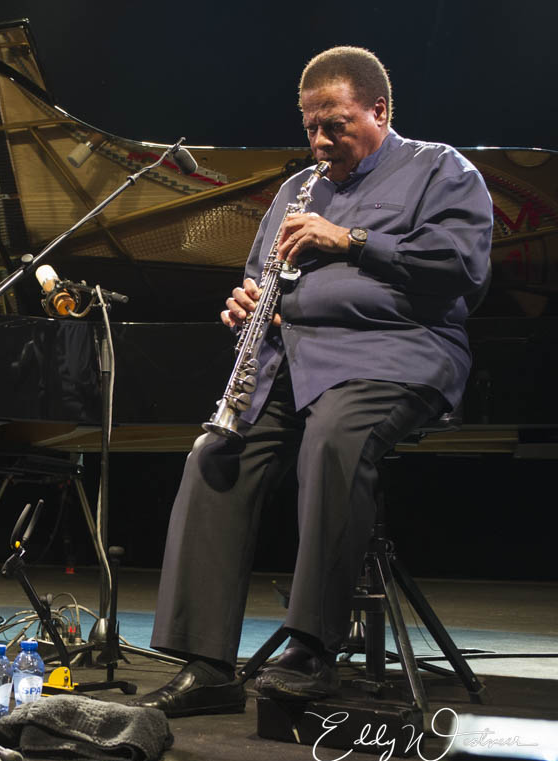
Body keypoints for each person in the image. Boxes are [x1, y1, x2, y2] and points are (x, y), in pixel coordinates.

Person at [131, 46, 493, 717]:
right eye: (311, 128)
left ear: (378, 110)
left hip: (396, 356)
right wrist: (245, 307)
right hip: (293, 362)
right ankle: (207, 663)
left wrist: (350, 239)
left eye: (337, 124)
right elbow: (260, 277)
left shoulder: (440, 170)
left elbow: (461, 267)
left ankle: (312, 645)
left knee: (333, 439)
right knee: (215, 457)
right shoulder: (297, 191)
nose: (321, 141)